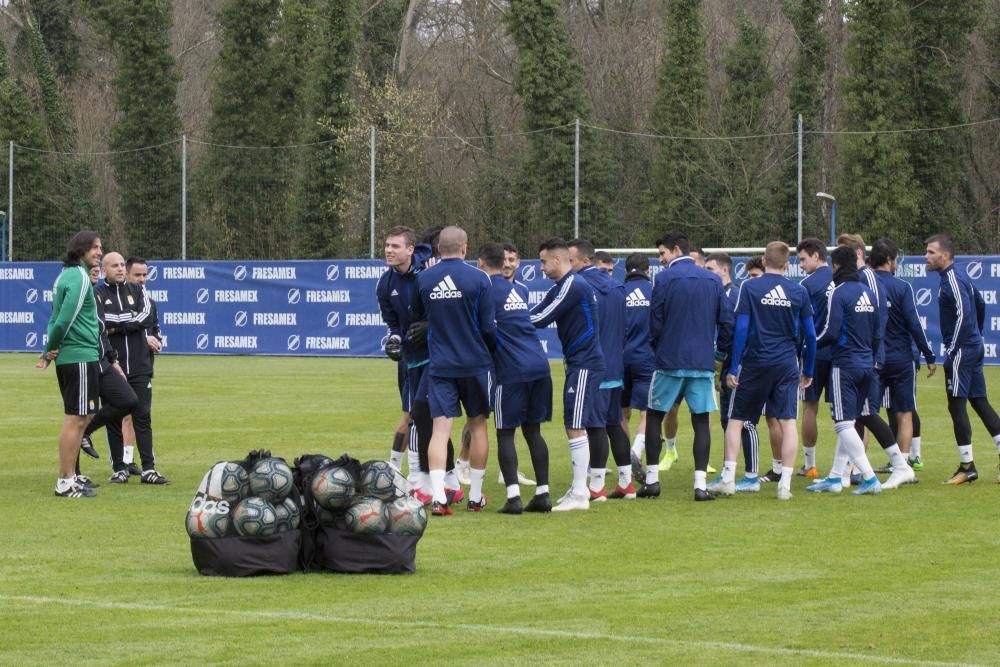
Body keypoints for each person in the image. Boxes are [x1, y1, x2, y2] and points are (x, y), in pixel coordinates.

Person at [708, 242, 815, 500]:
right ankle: (784, 485)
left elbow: (741, 330)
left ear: (765, 262)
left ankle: (729, 479)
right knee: (788, 422)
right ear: (787, 265)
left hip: (755, 361)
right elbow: (810, 335)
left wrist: (732, 368)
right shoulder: (798, 291)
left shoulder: (750, 286)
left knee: (736, 420)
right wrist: (808, 368)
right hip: (787, 363)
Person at [643, 232, 730, 501]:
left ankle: (652, 480)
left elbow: (655, 321)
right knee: (701, 421)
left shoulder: (664, 279)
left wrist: (660, 347)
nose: (660, 260)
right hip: (702, 363)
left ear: (676, 249)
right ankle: (700, 486)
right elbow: (727, 322)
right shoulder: (713, 280)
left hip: (670, 360)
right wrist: (718, 354)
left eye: (662, 253)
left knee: (655, 416)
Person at [415, 226, 496, 515]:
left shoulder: (423, 279)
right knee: (478, 426)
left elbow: (423, 319)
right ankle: (475, 497)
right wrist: (491, 349)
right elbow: (488, 326)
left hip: (440, 365)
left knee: (440, 430)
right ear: (465, 248)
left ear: (438, 249)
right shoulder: (479, 278)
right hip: (475, 364)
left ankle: (438, 498)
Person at [529, 238, 606, 511]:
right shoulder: (563, 285)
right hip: (578, 362)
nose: (541, 268)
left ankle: (580, 493)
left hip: (585, 363)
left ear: (558, 260)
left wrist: (505, 319)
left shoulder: (573, 285)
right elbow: (536, 312)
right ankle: (579, 489)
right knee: (573, 424)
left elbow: (540, 318)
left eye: (543, 261)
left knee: (576, 425)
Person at [478, 242, 552, 514]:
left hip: (511, 370)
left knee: (505, 432)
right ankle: (543, 493)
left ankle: (513, 497)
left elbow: (485, 329)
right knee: (533, 431)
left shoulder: (485, 290)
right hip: (540, 367)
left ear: (482, 263)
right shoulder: (516, 290)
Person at [82, 252, 167, 484]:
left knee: (143, 416)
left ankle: (149, 469)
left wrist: (118, 324)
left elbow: (145, 316)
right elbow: (101, 321)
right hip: (112, 366)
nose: (120, 269)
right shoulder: (97, 293)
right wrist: (128, 322)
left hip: (140, 365)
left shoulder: (139, 292)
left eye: (121, 265)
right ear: (103, 270)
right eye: (114, 266)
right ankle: (119, 468)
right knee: (114, 416)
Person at [835, 233, 914, 485]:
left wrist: (875, 355)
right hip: (864, 357)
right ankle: (844, 473)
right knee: (856, 415)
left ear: (858, 253)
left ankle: (887, 467)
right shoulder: (852, 280)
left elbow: (879, 319)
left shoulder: (867, 278)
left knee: (860, 415)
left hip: (867, 360)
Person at [806, 246, 885, 495]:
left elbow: (831, 332)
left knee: (842, 424)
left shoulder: (838, 293)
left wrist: (809, 345)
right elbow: (877, 333)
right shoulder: (869, 293)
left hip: (845, 365)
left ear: (836, 266)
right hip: (867, 366)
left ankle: (870, 477)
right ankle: (835, 477)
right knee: (850, 421)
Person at [925, 234, 1000, 484]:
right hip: (971, 346)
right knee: (979, 402)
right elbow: (979, 302)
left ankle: (967, 466)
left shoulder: (953, 280)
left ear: (945, 255)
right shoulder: (957, 277)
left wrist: (955, 348)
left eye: (931, 252)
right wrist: (977, 334)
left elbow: (964, 313)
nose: (927, 256)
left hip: (963, 351)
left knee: (956, 405)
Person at [36, 231, 103, 498]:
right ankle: (64, 481)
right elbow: (63, 320)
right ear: (81, 249)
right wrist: (48, 351)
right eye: (95, 247)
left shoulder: (66, 275)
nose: (99, 252)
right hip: (79, 356)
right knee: (76, 419)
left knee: (83, 417)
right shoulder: (79, 277)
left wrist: (49, 351)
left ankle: (71, 476)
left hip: (73, 357)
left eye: (100, 247)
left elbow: (54, 319)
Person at [868, 239, 936, 488]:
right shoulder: (901, 287)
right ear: (889, 260)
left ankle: (857, 467)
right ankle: (903, 465)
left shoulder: (864, 284)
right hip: (901, 359)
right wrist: (928, 355)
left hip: (873, 359)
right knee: (904, 413)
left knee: (866, 413)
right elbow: (914, 323)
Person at [569, 239, 632, 500]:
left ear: (585, 261)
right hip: (616, 366)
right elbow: (626, 328)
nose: (567, 265)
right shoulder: (618, 287)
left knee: (595, 426)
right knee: (614, 423)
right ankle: (627, 483)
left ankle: (596, 486)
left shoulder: (580, 287)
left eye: (570, 260)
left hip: (594, 367)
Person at [705, 252, 761, 491]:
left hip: (739, 366)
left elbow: (736, 332)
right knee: (728, 420)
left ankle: (751, 475)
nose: (706, 274)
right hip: (727, 365)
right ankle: (729, 473)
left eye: (710, 269)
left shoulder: (735, 294)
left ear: (724, 270)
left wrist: (725, 362)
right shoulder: (719, 294)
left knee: (744, 421)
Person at [376, 227, 423, 480]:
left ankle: (442, 473)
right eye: (387, 245)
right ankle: (394, 468)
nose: (388, 250)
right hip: (409, 359)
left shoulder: (427, 273)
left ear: (410, 250)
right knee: (410, 413)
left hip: (436, 355)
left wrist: (429, 328)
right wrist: (394, 340)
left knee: (433, 417)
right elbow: (393, 324)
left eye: (395, 246)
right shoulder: (385, 283)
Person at [119, 256, 162, 477]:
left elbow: (155, 331)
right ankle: (123, 462)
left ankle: (137, 463)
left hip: (143, 365)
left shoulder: (150, 303)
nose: (142, 279)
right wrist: (143, 340)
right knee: (123, 415)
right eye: (137, 275)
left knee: (140, 415)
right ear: (126, 275)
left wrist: (157, 342)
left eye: (145, 275)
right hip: (120, 365)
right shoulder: (119, 301)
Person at [796, 238, 834, 478]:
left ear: (817, 256)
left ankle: (810, 465)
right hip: (841, 353)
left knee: (810, 407)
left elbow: (802, 325)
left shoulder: (806, 285)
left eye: (802, 259)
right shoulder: (842, 278)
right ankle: (852, 464)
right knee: (849, 412)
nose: (800, 265)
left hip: (815, 352)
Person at [621, 254, 656, 483]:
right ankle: (636, 451)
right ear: (648, 269)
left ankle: (624, 460)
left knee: (621, 411)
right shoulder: (655, 291)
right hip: (647, 357)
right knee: (647, 412)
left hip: (621, 358)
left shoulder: (618, 291)